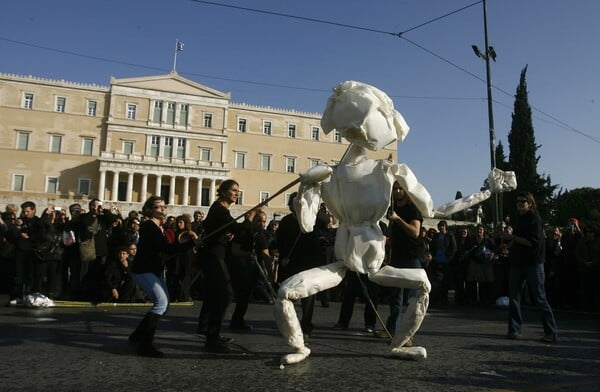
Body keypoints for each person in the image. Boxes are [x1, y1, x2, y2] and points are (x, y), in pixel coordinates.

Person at [129, 195, 196, 357]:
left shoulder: (158, 227)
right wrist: (192, 243)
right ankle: (145, 345)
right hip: (143, 270)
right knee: (161, 303)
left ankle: (137, 336)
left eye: (164, 206)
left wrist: (187, 240)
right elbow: (166, 249)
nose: (162, 209)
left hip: (152, 270)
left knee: (163, 307)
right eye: (158, 207)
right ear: (149, 210)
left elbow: (167, 248)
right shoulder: (148, 227)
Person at [196, 180, 255, 353]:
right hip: (213, 257)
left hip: (215, 255)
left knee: (214, 294)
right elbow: (241, 231)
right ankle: (212, 337)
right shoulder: (220, 211)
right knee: (224, 295)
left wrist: (224, 236)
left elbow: (220, 229)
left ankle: (207, 329)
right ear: (223, 192)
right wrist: (249, 219)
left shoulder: (219, 210)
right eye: (234, 190)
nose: (237, 193)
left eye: (238, 191)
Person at [506, 191, 558, 343]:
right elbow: (518, 240)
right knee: (514, 296)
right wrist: (509, 242)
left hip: (533, 262)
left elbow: (532, 242)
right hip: (518, 261)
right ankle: (514, 329)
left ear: (530, 203)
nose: (520, 204)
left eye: (523, 201)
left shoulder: (535, 219)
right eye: (518, 201)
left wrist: (513, 238)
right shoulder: (518, 219)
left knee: (540, 298)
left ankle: (551, 332)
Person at [384, 182, 427, 343]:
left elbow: (415, 232)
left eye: (400, 188)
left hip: (412, 256)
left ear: (406, 191)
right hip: (397, 256)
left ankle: (408, 334)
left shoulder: (412, 208)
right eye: (395, 188)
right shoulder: (393, 209)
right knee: (395, 296)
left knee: (411, 298)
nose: (397, 191)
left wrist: (398, 219)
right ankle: (392, 329)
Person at [275, 192, 322, 340]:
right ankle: (289, 324)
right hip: (290, 264)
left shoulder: (311, 220)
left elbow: (324, 224)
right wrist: (282, 257)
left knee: (308, 297)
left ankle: (306, 325)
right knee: (288, 296)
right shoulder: (286, 222)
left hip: (307, 265)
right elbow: (279, 242)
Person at [464, 224, 496, 306]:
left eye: (481, 229)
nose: (479, 231)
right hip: (474, 262)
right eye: (478, 229)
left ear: (484, 231)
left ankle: (484, 300)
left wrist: (492, 254)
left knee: (484, 283)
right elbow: (466, 249)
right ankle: (472, 300)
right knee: (472, 282)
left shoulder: (488, 240)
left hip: (485, 264)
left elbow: (495, 249)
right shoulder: (471, 239)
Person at [428, 220, 456, 304]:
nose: (441, 227)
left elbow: (453, 248)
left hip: (446, 261)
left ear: (445, 226)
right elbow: (432, 247)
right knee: (437, 280)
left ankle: (444, 297)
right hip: (437, 260)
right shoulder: (436, 236)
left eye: (443, 226)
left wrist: (450, 258)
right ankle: (437, 297)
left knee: (446, 279)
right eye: (440, 226)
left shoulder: (450, 235)